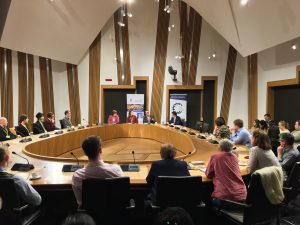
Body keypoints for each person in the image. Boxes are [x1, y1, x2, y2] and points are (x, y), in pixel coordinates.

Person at [72, 136, 123, 206]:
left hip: (89, 215)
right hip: (115, 213)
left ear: (85, 153)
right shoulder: (116, 169)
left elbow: (80, 203)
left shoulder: (77, 176)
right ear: (100, 150)